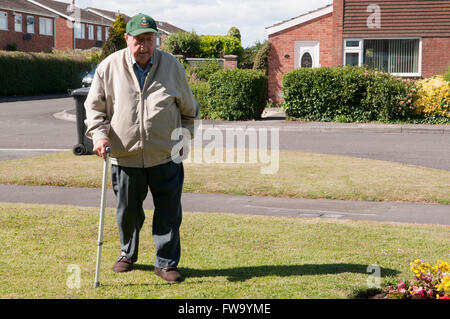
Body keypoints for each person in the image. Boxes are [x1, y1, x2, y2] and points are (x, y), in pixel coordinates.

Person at [85, 13, 199, 284]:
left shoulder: (171, 66)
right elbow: (94, 108)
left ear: (156, 40)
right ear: (127, 39)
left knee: (169, 212)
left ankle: (166, 263)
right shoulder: (109, 67)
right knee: (127, 213)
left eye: (149, 39)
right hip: (125, 156)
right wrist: (99, 137)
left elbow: (189, 110)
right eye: (138, 40)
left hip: (165, 155)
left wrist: (184, 140)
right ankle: (127, 254)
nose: (144, 46)